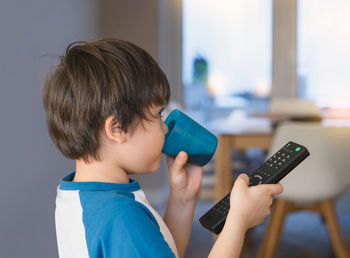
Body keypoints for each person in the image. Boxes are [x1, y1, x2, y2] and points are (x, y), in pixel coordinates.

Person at [42, 38, 283, 258]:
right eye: (157, 115)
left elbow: (160, 250)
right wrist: (238, 221)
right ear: (116, 128)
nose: (165, 128)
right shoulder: (121, 218)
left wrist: (182, 198)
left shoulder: (79, 195)